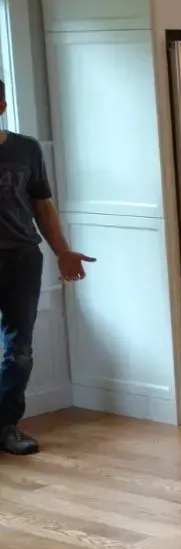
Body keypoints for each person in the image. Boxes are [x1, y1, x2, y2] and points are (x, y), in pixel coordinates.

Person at [0, 79, 92, 455]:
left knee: (18, 349)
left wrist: (63, 251)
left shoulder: (25, 149)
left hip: (20, 258)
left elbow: (42, 204)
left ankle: (6, 426)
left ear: (2, 106)